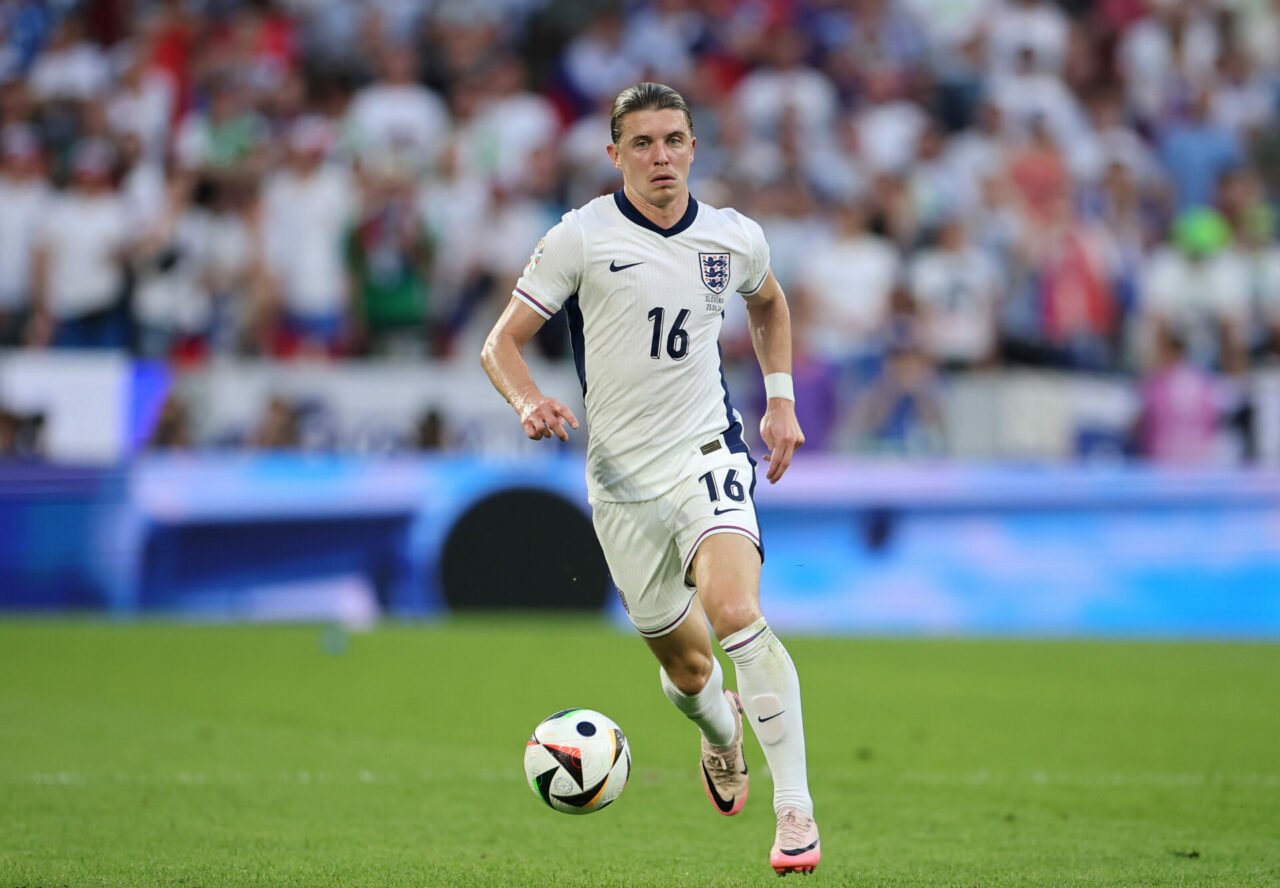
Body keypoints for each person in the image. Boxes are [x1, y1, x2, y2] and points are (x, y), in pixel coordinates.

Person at [480, 83, 819, 876]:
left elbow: (769, 306)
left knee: (736, 611)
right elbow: (501, 344)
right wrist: (528, 401)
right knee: (689, 668)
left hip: (708, 453)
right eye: (642, 143)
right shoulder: (580, 238)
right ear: (614, 155)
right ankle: (721, 734)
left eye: (673, 140)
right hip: (621, 484)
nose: (660, 156)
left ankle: (796, 809)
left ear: (695, 147)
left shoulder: (734, 238)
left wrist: (780, 401)